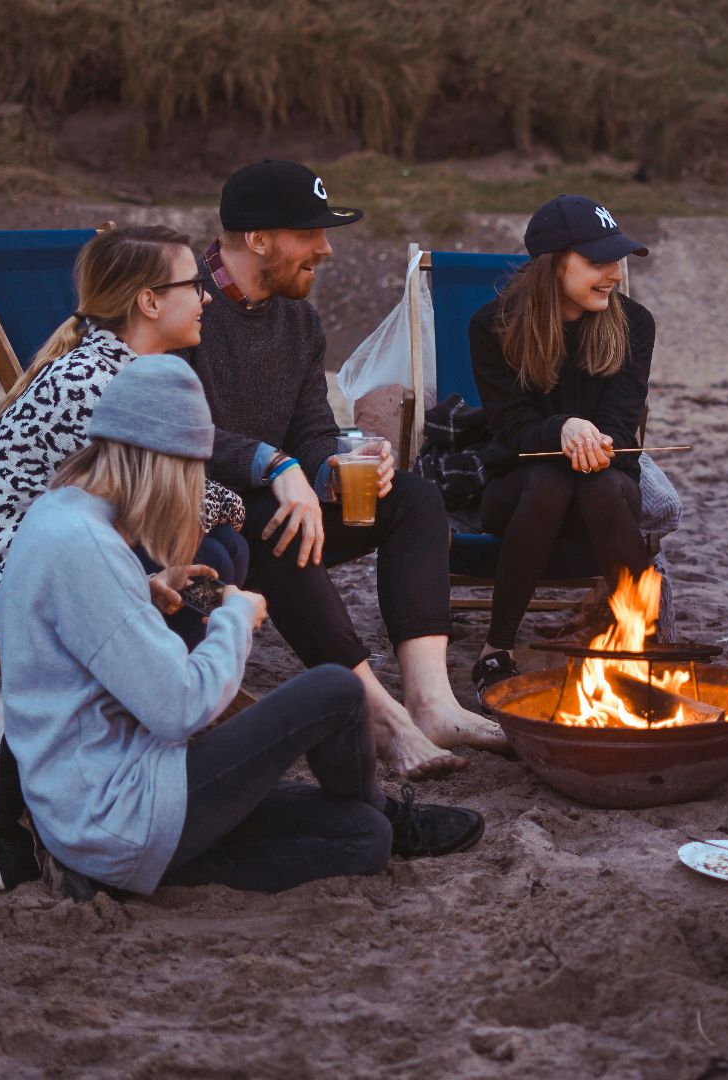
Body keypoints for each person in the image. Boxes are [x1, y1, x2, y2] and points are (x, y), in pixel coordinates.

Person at [0, 357, 483, 898]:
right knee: (335, 691)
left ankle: (378, 820)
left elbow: (55, 635)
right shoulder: (84, 546)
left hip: (107, 806)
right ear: (161, 461)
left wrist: (144, 591)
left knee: (362, 840)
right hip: (118, 811)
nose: (189, 491)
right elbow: (180, 708)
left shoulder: (60, 516)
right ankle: (382, 809)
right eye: (190, 472)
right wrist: (235, 616)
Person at [178, 160, 506, 780]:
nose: (326, 250)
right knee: (279, 525)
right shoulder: (181, 303)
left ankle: (432, 702)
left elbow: (311, 428)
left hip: (285, 497)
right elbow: (173, 428)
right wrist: (275, 467)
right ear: (258, 239)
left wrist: (337, 462)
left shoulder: (298, 319)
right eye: (311, 234)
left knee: (413, 497)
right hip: (203, 518)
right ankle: (382, 719)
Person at [0, 224, 250, 657]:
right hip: (0, 613)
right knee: (207, 547)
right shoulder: (90, 386)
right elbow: (171, 509)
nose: (207, 297)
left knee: (220, 550)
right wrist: (233, 499)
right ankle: (161, 685)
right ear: (149, 301)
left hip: (49, 578)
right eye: (195, 285)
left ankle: (168, 674)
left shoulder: (111, 370)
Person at [466, 195, 656, 694]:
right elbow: (512, 428)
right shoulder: (493, 327)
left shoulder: (634, 325)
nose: (613, 273)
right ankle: (498, 647)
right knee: (551, 478)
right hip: (519, 493)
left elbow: (619, 420)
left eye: (616, 260)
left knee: (595, 483)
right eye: (597, 261)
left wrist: (593, 440)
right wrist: (562, 428)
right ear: (553, 265)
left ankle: (639, 643)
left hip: (607, 491)